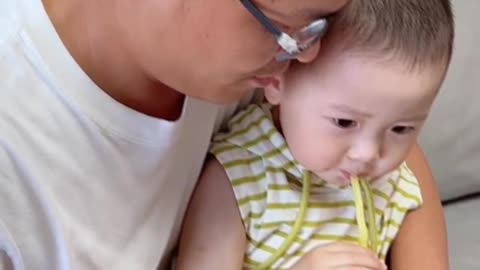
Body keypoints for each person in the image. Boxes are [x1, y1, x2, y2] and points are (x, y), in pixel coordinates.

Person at [0, 0, 447, 269]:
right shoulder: (17, 157)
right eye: (296, 30)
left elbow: (385, 131)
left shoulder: (249, 64)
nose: (309, 60)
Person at [176, 0, 454, 269]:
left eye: (401, 128)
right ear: (276, 80)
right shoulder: (239, 177)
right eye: (344, 122)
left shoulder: (391, 183)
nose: (369, 153)